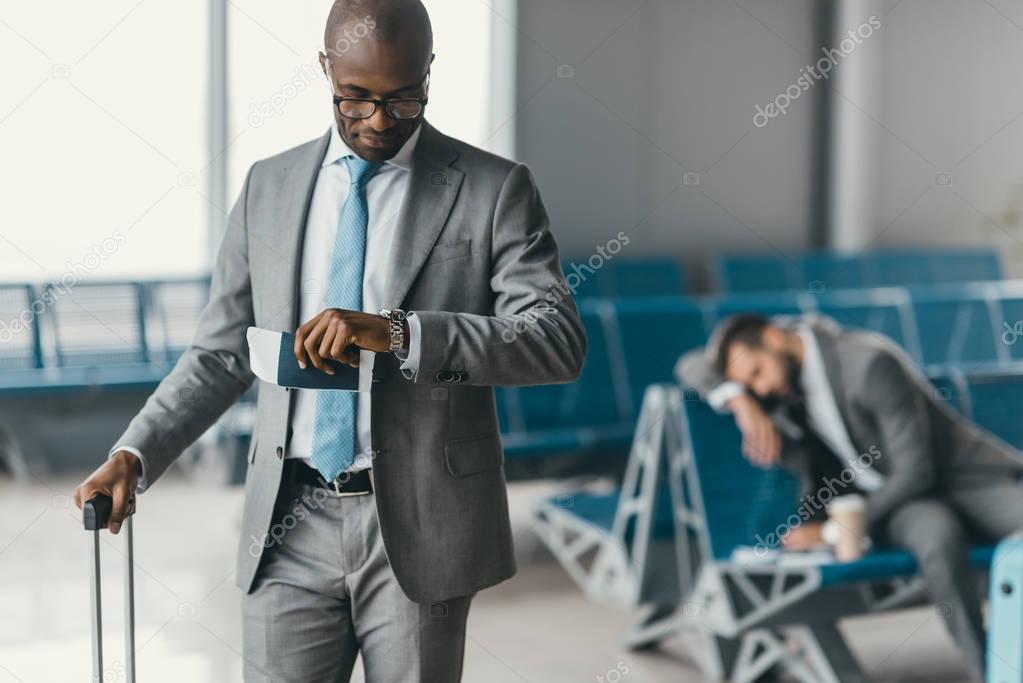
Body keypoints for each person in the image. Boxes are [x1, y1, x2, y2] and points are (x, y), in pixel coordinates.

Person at [72, 1, 586, 681]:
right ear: (325, 70)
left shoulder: (493, 190)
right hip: (289, 516)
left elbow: (553, 342)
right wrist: (135, 451)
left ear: (429, 72)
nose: (379, 120)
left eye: (404, 97)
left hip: (418, 521)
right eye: (356, 98)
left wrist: (399, 331)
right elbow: (221, 354)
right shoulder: (268, 187)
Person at [677, 313, 1023, 682]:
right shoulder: (779, 384)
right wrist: (739, 401)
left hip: (964, 478)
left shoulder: (868, 363)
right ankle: (989, 670)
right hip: (903, 503)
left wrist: (832, 532)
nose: (759, 389)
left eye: (757, 373)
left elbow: (915, 470)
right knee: (937, 540)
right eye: (749, 383)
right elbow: (691, 364)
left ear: (774, 338)